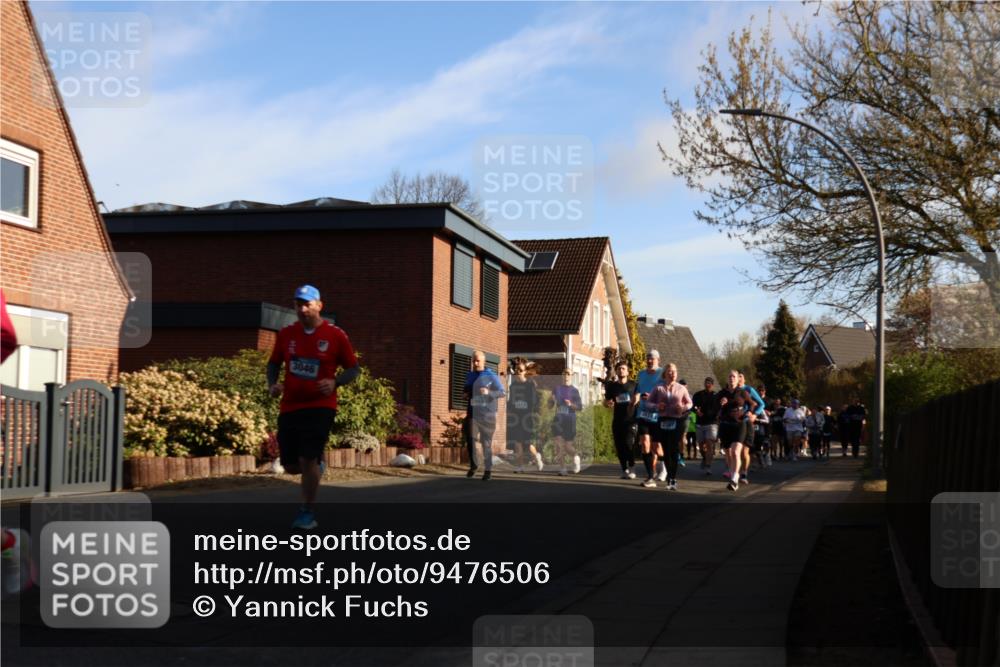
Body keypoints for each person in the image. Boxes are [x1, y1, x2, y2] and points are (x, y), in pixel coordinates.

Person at [268, 285, 359, 530]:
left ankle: (306, 512)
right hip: (290, 406)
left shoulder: (335, 335)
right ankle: (316, 467)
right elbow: (274, 363)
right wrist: (273, 384)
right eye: (298, 304)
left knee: (307, 458)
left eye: (308, 304)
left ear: (319, 305)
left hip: (321, 405)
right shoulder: (286, 334)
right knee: (291, 466)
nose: (303, 308)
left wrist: (335, 382)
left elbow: (353, 368)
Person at [647, 363, 693, 491]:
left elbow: (690, 403)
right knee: (666, 451)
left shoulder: (681, 388)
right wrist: (657, 406)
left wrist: (683, 408)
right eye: (670, 372)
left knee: (674, 450)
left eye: (675, 371)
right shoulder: (658, 388)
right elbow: (649, 403)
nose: (673, 374)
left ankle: (673, 478)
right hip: (662, 420)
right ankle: (670, 477)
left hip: (676, 420)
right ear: (665, 374)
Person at [464, 351, 506, 481]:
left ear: (483, 362)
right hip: (472, 413)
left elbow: (502, 392)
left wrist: (489, 392)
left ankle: (488, 471)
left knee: (486, 444)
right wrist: (465, 394)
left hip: (487, 415)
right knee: (470, 439)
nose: (475, 363)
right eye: (473, 361)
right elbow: (466, 390)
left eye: (478, 361)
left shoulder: (491, 375)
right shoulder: (470, 375)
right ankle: (474, 465)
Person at [603, 360, 637, 479]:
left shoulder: (633, 385)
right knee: (619, 446)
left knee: (629, 444)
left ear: (627, 372)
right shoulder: (612, 386)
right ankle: (624, 469)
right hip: (617, 420)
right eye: (619, 368)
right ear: (616, 371)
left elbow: (639, 399)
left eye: (623, 368)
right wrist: (608, 403)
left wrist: (636, 401)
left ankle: (632, 467)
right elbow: (606, 402)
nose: (621, 370)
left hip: (631, 420)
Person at [507, 357, 542, 472]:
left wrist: (526, 406)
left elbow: (534, 402)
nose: (518, 372)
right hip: (517, 418)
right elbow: (511, 402)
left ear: (525, 372)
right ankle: (520, 466)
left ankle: (537, 457)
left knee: (528, 444)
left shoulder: (530, 385)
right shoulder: (513, 387)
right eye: (516, 370)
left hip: (527, 418)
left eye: (520, 370)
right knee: (517, 443)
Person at [717, 372, 750, 491]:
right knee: (728, 454)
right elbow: (715, 406)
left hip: (739, 425)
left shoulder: (742, 392)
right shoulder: (722, 393)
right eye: (730, 376)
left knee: (736, 452)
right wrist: (720, 404)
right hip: (725, 425)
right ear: (727, 379)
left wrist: (749, 414)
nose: (731, 378)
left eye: (734, 376)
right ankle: (732, 475)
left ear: (737, 379)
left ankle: (735, 479)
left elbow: (752, 404)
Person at [635, 350, 664, 481]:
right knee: (645, 444)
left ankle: (663, 466)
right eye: (647, 358)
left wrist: (653, 397)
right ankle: (650, 475)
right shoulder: (641, 374)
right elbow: (638, 391)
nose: (649, 361)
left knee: (656, 447)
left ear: (658, 360)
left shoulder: (663, 374)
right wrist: (632, 403)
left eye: (652, 358)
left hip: (658, 415)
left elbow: (667, 393)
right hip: (643, 413)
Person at [551, 369, 583, 475]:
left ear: (571, 376)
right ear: (562, 375)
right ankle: (563, 469)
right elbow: (550, 406)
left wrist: (571, 405)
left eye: (568, 373)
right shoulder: (557, 389)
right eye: (564, 373)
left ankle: (576, 457)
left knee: (568, 447)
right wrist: (551, 401)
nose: (566, 375)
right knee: (559, 445)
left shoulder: (574, 390)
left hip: (569, 420)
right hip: (558, 420)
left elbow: (579, 407)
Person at [737, 373, 765, 485]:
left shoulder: (749, 389)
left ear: (744, 379)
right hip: (735, 423)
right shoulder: (731, 390)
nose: (738, 378)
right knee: (735, 451)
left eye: (741, 376)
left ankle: (744, 473)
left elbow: (761, 404)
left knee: (744, 451)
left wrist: (754, 414)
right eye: (736, 376)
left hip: (747, 422)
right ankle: (736, 473)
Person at [692, 377, 720, 476]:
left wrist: (716, 415)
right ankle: (704, 458)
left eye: (709, 383)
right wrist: (696, 411)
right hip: (700, 423)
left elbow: (719, 409)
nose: (707, 384)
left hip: (712, 423)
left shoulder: (716, 396)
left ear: (712, 385)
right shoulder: (698, 395)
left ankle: (708, 466)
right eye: (706, 383)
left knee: (709, 444)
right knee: (701, 445)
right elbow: (693, 406)